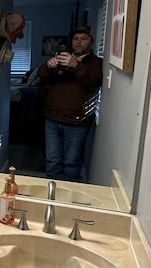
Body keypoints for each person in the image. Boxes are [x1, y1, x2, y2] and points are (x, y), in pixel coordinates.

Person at [36, 25, 103, 181]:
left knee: (71, 163)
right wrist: (48, 66)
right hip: (52, 119)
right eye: (75, 39)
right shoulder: (61, 59)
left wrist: (76, 65)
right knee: (52, 161)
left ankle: (67, 197)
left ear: (91, 43)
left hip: (77, 122)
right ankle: (51, 194)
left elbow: (95, 80)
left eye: (84, 39)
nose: (79, 42)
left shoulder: (96, 63)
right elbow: (40, 76)